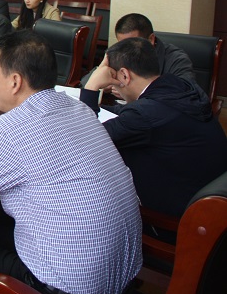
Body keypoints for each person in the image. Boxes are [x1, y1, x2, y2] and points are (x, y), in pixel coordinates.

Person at [0, 31, 142, 294]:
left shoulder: (11, 131)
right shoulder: (79, 109)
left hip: (69, 287)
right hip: (120, 277)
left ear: (15, 81)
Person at [80, 37, 227, 222]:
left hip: (176, 221)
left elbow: (86, 139)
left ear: (124, 76)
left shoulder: (145, 116)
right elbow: (134, 113)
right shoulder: (180, 86)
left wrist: (92, 86)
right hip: (209, 206)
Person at [80, 13, 196, 90]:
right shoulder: (119, 52)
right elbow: (85, 82)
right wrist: (104, 84)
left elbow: (185, 92)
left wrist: (135, 91)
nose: (126, 50)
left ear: (151, 39)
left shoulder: (176, 59)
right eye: (122, 44)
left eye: (132, 44)